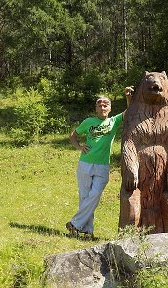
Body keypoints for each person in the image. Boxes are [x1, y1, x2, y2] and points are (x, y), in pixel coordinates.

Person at [66, 86, 134, 239]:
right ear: (96, 108)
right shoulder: (89, 121)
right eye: (100, 104)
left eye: (106, 104)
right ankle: (87, 231)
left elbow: (129, 112)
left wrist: (128, 97)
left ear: (110, 108)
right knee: (85, 197)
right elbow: (73, 135)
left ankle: (75, 224)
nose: (103, 106)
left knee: (94, 195)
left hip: (103, 165)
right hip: (85, 163)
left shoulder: (113, 121)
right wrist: (79, 147)